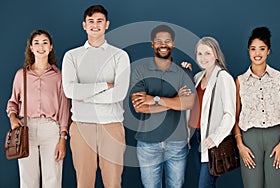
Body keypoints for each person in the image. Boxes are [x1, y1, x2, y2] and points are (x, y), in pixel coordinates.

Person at [61, 5, 130, 188]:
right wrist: (104, 86)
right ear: (84, 25)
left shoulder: (120, 56)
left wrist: (84, 95)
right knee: (84, 182)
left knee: (113, 182)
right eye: (91, 21)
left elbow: (119, 93)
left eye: (99, 21)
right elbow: (70, 92)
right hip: (82, 126)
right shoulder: (72, 56)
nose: (95, 25)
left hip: (112, 126)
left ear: (107, 24)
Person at [130, 24, 196, 188]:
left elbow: (188, 103)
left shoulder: (184, 72)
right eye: (159, 41)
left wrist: (154, 99)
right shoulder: (140, 71)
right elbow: (139, 107)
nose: (163, 44)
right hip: (148, 143)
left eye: (167, 41)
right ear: (152, 44)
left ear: (173, 43)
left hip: (177, 141)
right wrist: (174, 102)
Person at [6, 29, 70, 188]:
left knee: (53, 179)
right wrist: (13, 119)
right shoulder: (21, 75)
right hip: (26, 129)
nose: (41, 46)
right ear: (31, 48)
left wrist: (62, 139)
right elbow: (12, 103)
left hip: (51, 130)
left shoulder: (59, 76)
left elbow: (64, 109)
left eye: (45, 42)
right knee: (28, 180)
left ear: (50, 47)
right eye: (36, 43)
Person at [234, 27, 280, 188]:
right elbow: (235, 116)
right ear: (248, 51)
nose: (257, 53)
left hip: (276, 139)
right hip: (249, 141)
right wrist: (240, 146)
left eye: (262, 48)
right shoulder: (240, 81)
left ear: (268, 51)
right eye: (253, 49)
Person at [182, 36, 236, 188]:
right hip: (195, 138)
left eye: (207, 53)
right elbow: (190, 102)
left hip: (211, 141)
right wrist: (186, 73)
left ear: (216, 55)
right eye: (199, 54)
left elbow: (230, 114)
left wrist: (216, 137)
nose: (203, 58)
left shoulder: (224, 78)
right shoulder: (198, 77)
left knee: (204, 185)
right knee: (206, 183)